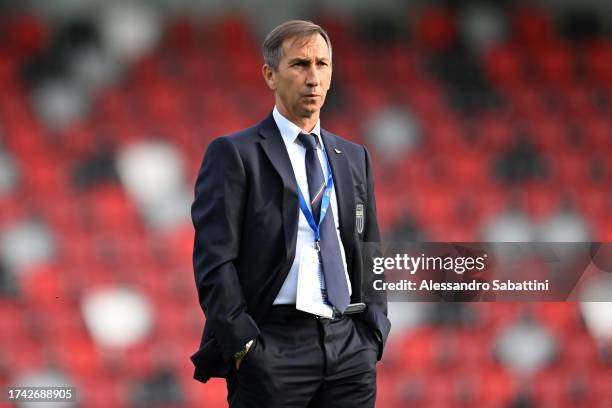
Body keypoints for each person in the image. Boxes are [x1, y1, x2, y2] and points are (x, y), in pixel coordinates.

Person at [190, 20, 391, 407]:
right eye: (300, 64)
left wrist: (373, 333)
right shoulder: (234, 154)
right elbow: (214, 263)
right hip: (272, 346)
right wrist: (245, 346)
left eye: (322, 64)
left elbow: (371, 252)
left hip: (349, 346)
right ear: (270, 74)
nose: (313, 78)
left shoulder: (353, 157)